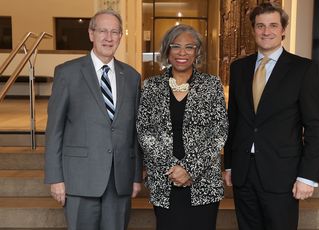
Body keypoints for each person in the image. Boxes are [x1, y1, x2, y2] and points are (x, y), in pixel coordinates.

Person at [224, 3, 319, 230]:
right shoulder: (239, 68)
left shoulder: (303, 69)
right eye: (260, 26)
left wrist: (307, 176)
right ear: (253, 30)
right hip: (243, 172)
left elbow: (314, 128)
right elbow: (234, 120)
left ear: (282, 30)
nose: (266, 31)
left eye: (272, 25)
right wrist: (229, 164)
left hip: (282, 173)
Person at [44, 9, 142, 230]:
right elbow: (54, 130)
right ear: (91, 34)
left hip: (119, 180)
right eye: (103, 31)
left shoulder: (132, 77)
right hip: (78, 179)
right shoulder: (67, 73)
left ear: (120, 37)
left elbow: (135, 133)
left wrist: (136, 176)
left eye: (114, 32)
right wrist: (55, 178)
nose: (108, 37)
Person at [137, 24, 228, 230]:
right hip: (164, 179)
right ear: (167, 51)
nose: (182, 53)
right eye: (176, 46)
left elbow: (219, 131)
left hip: (203, 181)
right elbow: (145, 131)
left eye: (190, 47)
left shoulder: (211, 85)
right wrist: (173, 170)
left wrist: (189, 170)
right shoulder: (151, 86)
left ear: (197, 52)